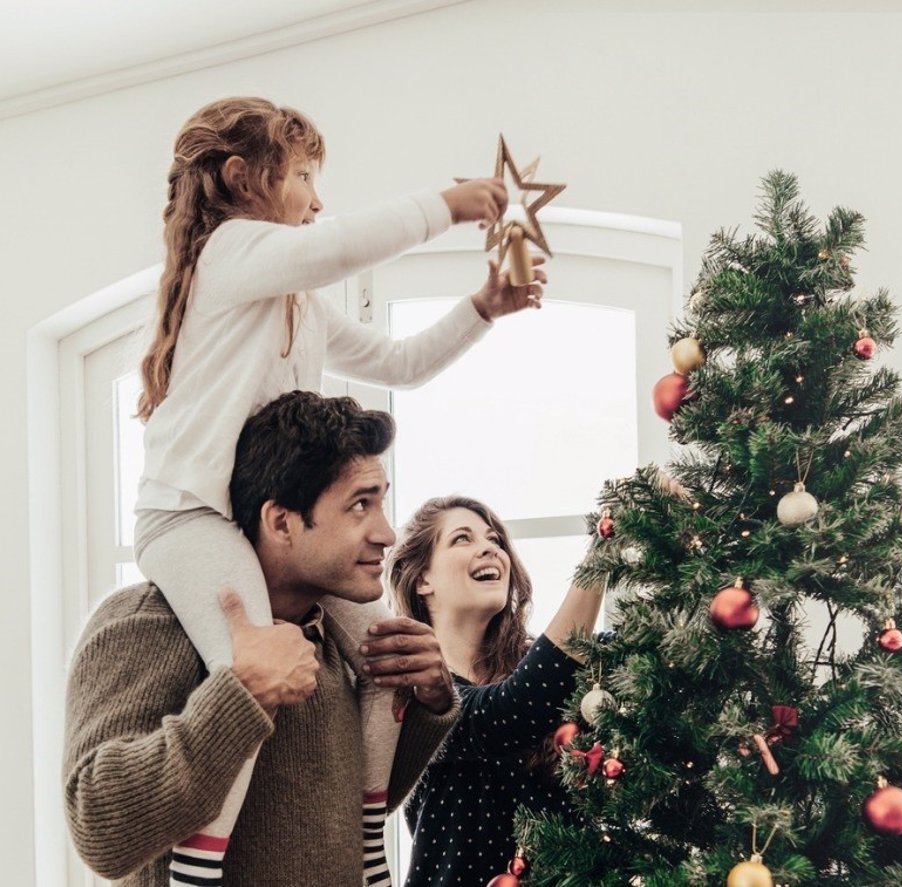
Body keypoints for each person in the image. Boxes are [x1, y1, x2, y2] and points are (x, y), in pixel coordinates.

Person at [131, 97, 544, 886]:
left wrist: (482, 308)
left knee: (385, 655)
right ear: (243, 178)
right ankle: (195, 864)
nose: (318, 199)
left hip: (263, 522)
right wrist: (447, 206)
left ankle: (366, 846)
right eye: (305, 177)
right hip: (189, 516)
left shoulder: (301, 305)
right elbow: (337, 247)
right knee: (249, 672)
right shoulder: (229, 254)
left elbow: (401, 363)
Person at [64, 391, 459, 886]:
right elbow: (101, 830)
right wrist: (241, 694)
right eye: (361, 504)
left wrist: (429, 702)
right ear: (281, 522)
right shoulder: (148, 620)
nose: (387, 533)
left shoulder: (331, 636)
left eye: (382, 501)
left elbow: (337, 819)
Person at [385, 495, 605, 887]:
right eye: (462, 539)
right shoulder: (412, 690)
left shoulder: (548, 677)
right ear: (422, 579)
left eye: (495, 539)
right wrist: (606, 544)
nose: (490, 547)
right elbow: (509, 714)